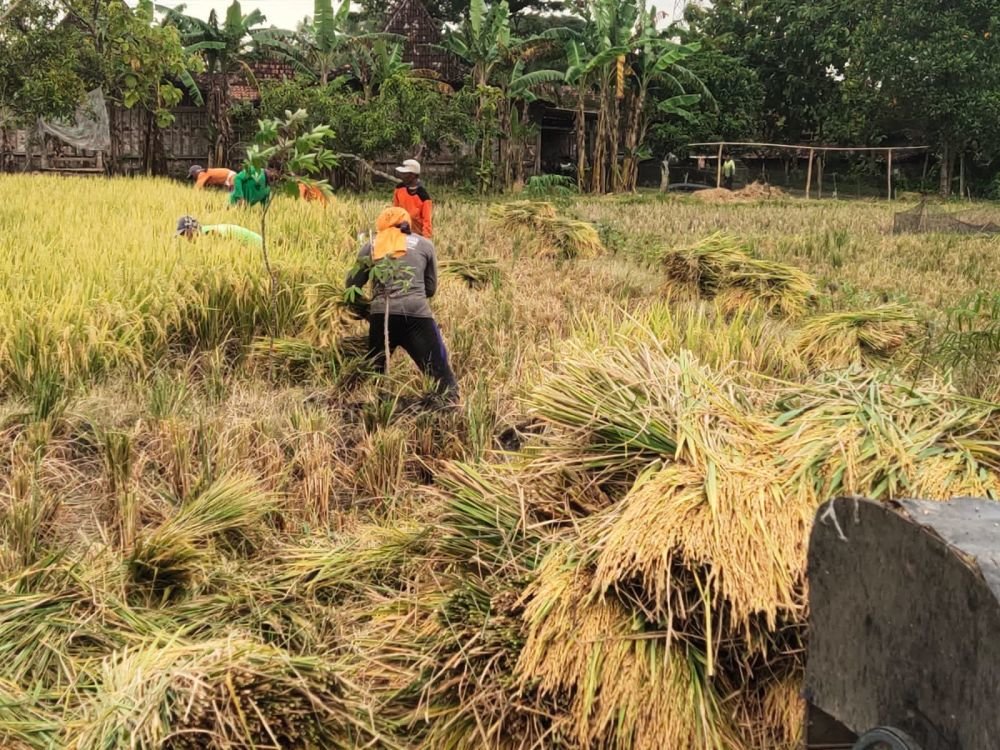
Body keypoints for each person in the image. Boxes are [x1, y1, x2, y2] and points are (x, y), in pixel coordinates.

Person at [345, 206, 457, 400]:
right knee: (442, 378)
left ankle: (376, 411)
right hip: (416, 315)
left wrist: (367, 311)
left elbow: (351, 286)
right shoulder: (424, 245)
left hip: (381, 315)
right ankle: (445, 410)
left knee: (376, 375)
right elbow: (430, 289)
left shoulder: (371, 246)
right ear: (407, 223)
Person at [392, 159, 433, 238]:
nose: (402, 176)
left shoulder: (423, 197)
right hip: (400, 233)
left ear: (412, 175)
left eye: (404, 174)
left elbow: (427, 222)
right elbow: (395, 210)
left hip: (417, 236)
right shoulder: (399, 189)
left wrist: (425, 241)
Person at [175, 215, 262, 247]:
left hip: (257, 245)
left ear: (193, 229)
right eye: (182, 235)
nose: (185, 237)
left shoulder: (210, 233)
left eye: (185, 233)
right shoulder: (204, 232)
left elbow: (231, 248)